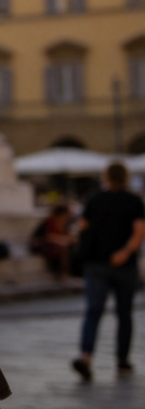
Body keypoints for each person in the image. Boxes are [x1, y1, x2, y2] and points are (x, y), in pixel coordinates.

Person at [71, 161, 144, 381]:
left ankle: (86, 357)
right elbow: (139, 232)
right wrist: (125, 252)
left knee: (93, 312)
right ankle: (122, 362)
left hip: (96, 264)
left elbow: (81, 228)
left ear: (106, 177)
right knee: (124, 314)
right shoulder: (133, 201)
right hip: (125, 266)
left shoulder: (94, 199)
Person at [29, 203, 76, 278]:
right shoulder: (49, 221)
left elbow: (69, 236)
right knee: (62, 248)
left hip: (56, 243)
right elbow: (48, 237)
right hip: (42, 244)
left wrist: (67, 239)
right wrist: (63, 239)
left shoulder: (65, 224)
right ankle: (62, 273)